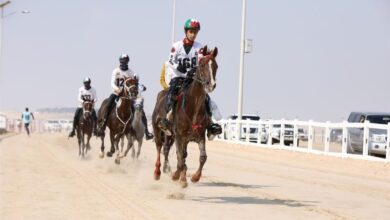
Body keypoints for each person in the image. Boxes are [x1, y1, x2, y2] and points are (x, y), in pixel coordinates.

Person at [158, 18, 222, 138]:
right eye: (191, 31)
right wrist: (179, 67)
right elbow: (171, 61)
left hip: (192, 78)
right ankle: (166, 120)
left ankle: (210, 124)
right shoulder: (176, 46)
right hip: (178, 76)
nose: (193, 34)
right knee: (172, 94)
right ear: (186, 32)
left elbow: (201, 60)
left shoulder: (199, 47)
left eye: (195, 32)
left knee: (205, 97)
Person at [133, 74, 154, 140]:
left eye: (136, 79)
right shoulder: (137, 85)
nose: (135, 80)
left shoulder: (138, 85)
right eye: (135, 79)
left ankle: (147, 133)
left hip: (138, 104)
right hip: (132, 103)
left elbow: (144, 88)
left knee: (144, 118)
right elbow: (144, 88)